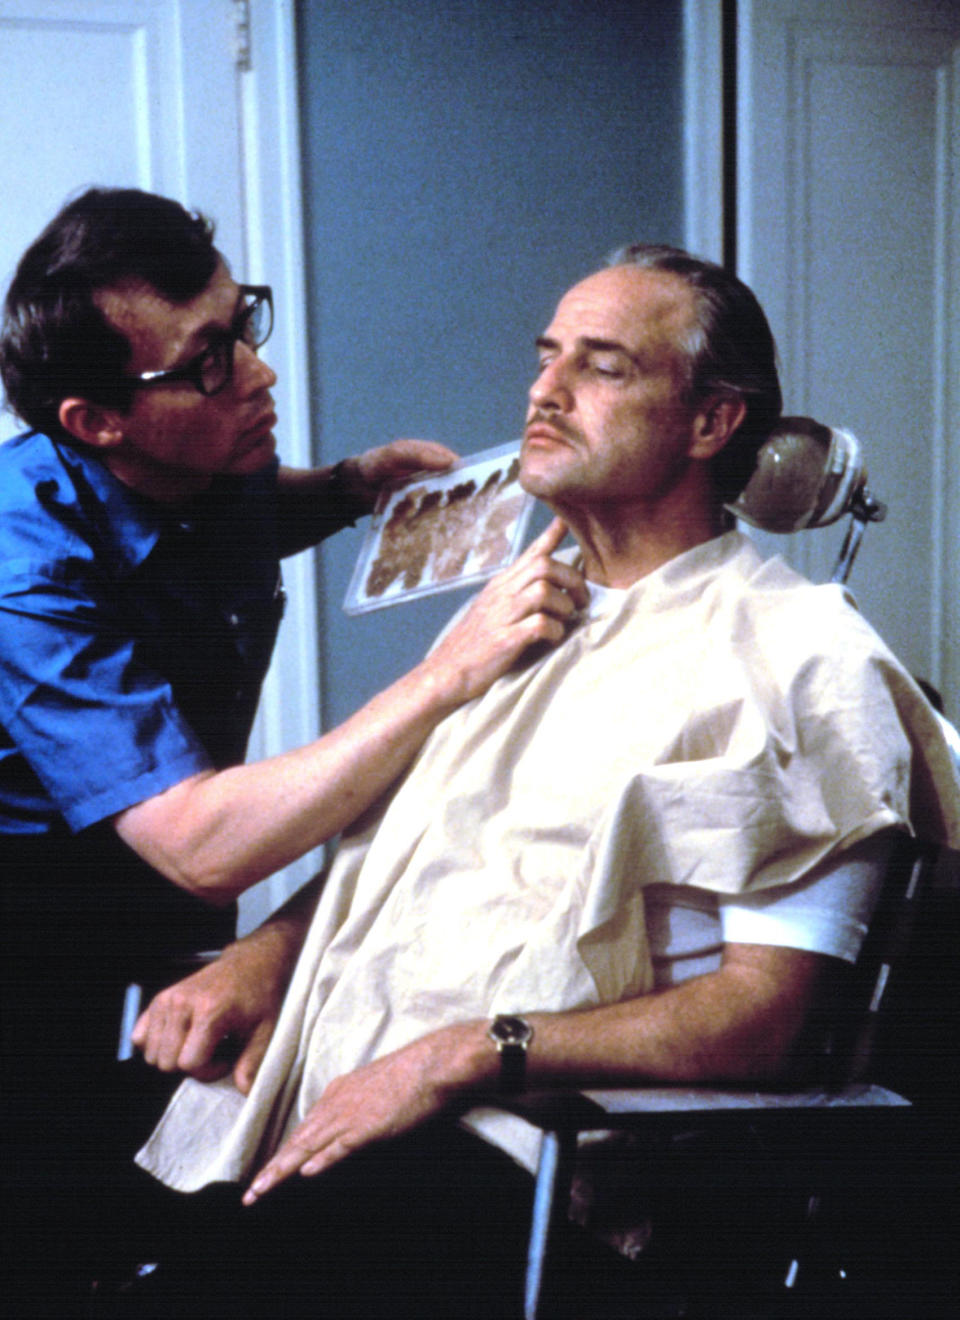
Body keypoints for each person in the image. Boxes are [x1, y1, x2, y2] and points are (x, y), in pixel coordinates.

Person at [131, 247, 960, 1315]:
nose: (544, 389)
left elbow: (767, 1019)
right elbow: (424, 851)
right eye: (546, 356)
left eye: (602, 366)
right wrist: (265, 954)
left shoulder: (803, 658)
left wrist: (466, 1056)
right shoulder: (521, 616)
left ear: (713, 423)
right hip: (344, 1091)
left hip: (546, 1155)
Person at [0, 188, 585, 1308]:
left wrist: (349, 492)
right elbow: (201, 845)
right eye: (210, 361)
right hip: (30, 933)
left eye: (243, 327)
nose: (260, 377)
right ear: (95, 421)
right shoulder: (22, 567)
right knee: (51, 1235)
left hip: (152, 919)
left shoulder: (192, 467)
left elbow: (236, 511)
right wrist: (445, 675)